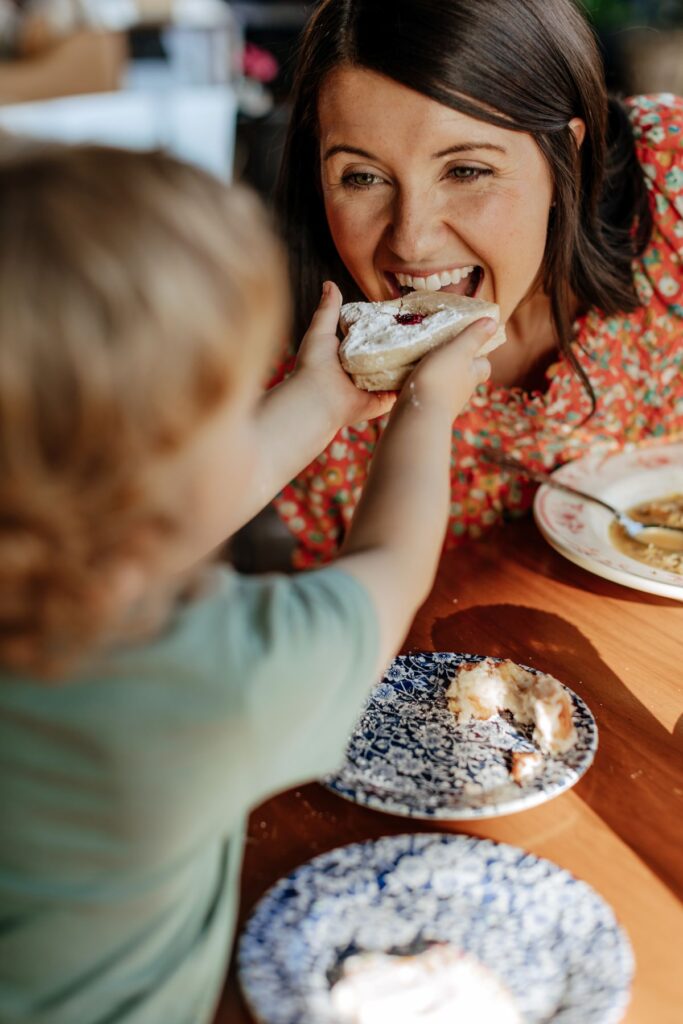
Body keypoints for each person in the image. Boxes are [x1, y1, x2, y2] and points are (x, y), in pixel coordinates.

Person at [0, 141, 492, 1023]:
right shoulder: (199, 677)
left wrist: (320, 396)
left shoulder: (50, 547)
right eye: (228, 405)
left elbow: (148, 506)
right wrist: (427, 408)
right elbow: (391, 569)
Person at [271, 0, 683, 568]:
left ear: (568, 155)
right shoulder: (304, 379)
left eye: (466, 170)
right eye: (363, 177)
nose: (411, 240)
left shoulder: (670, 178)